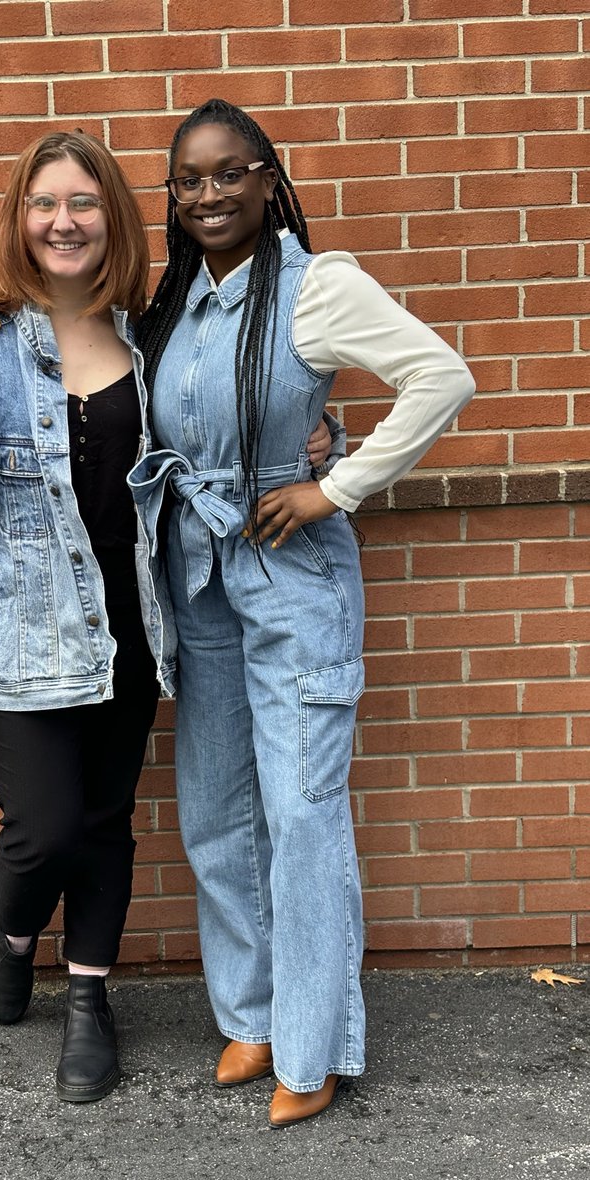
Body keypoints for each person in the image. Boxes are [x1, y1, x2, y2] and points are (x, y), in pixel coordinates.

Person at [0, 127, 338, 1106]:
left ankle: (89, 998)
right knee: (42, 826)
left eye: (83, 203)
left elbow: (235, 411)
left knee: (105, 822)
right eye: (44, 203)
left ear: (113, 219)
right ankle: (12, 937)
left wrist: (319, 438)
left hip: (136, 628)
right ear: (20, 219)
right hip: (15, 632)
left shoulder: (155, 333)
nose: (64, 220)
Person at [127, 98, 475, 1127]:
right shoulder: (179, 300)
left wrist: (337, 484)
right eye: (189, 180)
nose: (209, 195)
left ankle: (314, 1045)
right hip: (201, 584)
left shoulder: (316, 286)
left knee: (301, 812)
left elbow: (440, 376)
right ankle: (253, 1015)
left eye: (231, 173)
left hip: (293, 577)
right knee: (216, 814)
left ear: (269, 180)